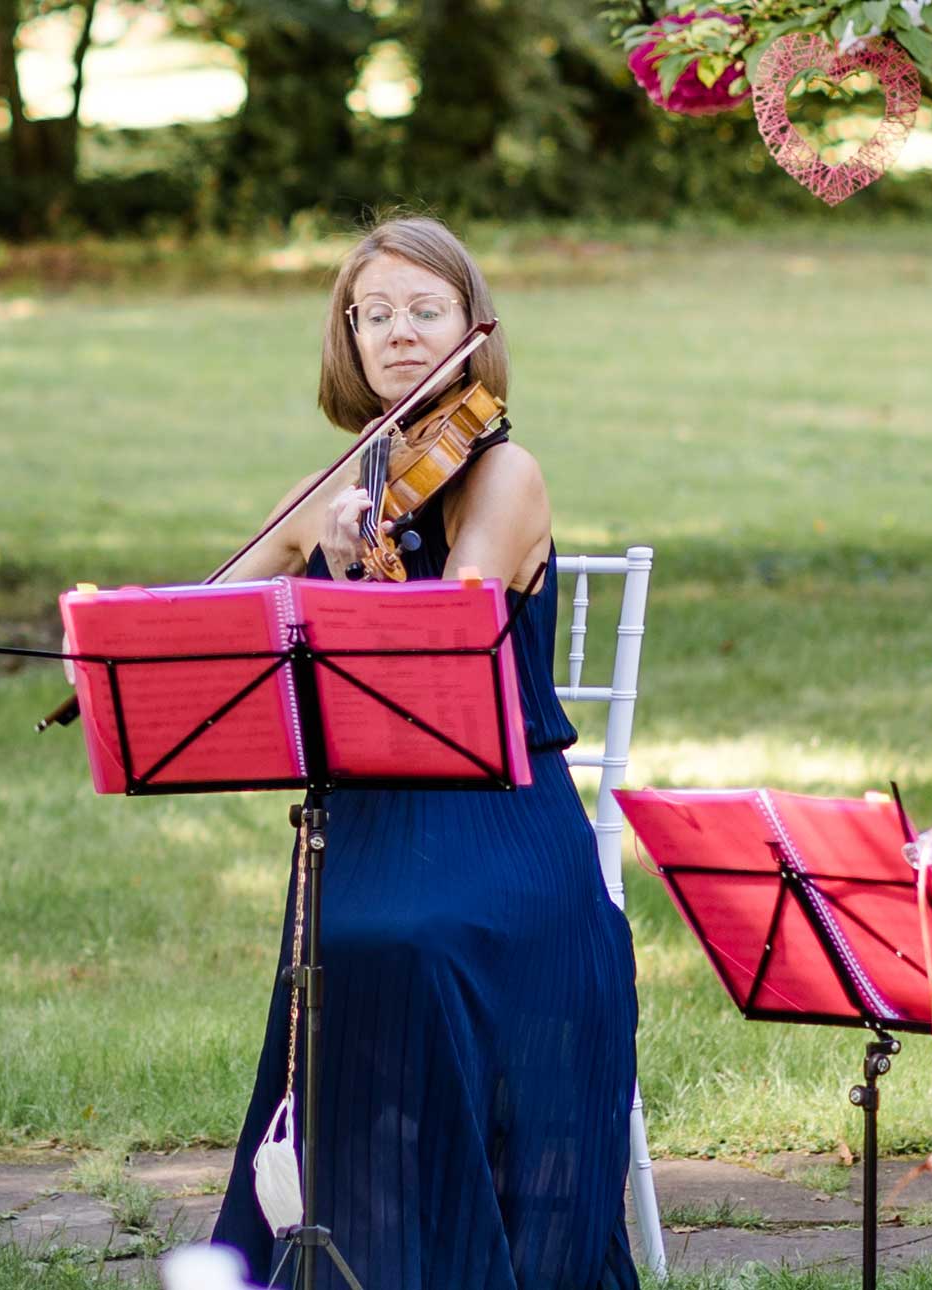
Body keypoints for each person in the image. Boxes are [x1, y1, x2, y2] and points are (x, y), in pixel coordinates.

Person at [191, 216, 644, 1290]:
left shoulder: (504, 474)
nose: (398, 333)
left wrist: (365, 568)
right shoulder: (340, 480)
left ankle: (445, 1257)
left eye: (424, 310)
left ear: (471, 327)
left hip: (498, 808)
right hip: (371, 815)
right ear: (346, 338)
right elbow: (204, 617)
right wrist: (304, 544)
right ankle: (346, 1251)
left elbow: (445, 652)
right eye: (375, 314)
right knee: (341, 936)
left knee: (409, 938)